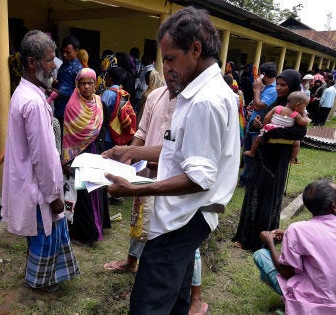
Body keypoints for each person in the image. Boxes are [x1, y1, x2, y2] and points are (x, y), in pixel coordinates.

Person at [102, 7, 240, 313]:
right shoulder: (196, 94)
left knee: (147, 305)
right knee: (176, 299)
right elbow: (181, 153)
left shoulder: (205, 101)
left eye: (170, 59)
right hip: (183, 216)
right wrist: (129, 151)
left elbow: (198, 178)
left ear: (195, 49)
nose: (166, 69)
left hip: (184, 218)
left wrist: (135, 189)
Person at [103, 76, 208, 314]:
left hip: (176, 181)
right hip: (147, 174)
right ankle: (132, 261)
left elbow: (179, 152)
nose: (172, 74)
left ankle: (196, 296)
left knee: (185, 242)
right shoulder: (155, 96)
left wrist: (136, 153)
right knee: (141, 220)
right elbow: (142, 130)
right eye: (167, 65)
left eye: (175, 63)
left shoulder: (194, 103)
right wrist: (130, 155)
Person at [1, 30, 80, 293]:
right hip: (39, 188)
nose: (54, 66)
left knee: (41, 234)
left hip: (32, 184)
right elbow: (44, 157)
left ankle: (44, 278)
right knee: (46, 235)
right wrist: (53, 195)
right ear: (32, 62)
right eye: (49, 60)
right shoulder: (32, 101)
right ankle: (42, 281)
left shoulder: (26, 93)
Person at [232, 69, 307, 251]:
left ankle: (261, 239)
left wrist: (271, 131)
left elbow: (299, 133)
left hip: (277, 158)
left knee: (268, 195)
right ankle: (246, 235)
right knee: (254, 191)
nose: (279, 88)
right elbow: (265, 121)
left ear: (293, 86)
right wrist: (260, 125)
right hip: (262, 154)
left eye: (283, 85)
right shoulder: (279, 104)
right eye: (278, 84)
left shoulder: (298, 107)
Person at [253, 180, 336, 314]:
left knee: (261, 255)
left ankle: (292, 304)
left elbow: (286, 272)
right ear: (333, 207)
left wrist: (269, 242)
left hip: (314, 309)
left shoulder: (298, 230)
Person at [62, 68, 111, 245]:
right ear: (78, 85)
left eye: (90, 83)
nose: (86, 87)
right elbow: (68, 134)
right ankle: (85, 233)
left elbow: (103, 126)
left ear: (95, 84)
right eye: (83, 83)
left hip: (96, 151)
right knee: (83, 192)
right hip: (79, 154)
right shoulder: (72, 106)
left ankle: (99, 225)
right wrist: (67, 159)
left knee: (97, 188)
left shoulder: (99, 102)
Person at [238, 62, 278, 187]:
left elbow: (258, 105)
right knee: (247, 155)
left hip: (259, 127)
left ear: (263, 74)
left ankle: (249, 180)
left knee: (254, 156)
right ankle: (244, 178)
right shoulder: (265, 87)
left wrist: (256, 90)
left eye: (260, 73)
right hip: (252, 126)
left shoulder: (273, 90)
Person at [244, 91, 310, 163]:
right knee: (297, 143)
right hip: (286, 138)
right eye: (304, 106)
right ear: (297, 105)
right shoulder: (295, 114)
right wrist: (304, 115)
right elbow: (304, 123)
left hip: (270, 134)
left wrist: (264, 127)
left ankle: (252, 152)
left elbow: (266, 118)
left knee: (257, 139)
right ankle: (292, 159)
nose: (304, 108)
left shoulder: (277, 108)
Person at [53, 35, 83, 124]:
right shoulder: (64, 65)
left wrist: (60, 92)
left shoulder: (78, 69)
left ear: (76, 51)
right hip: (59, 109)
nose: (64, 55)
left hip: (70, 112)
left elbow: (80, 93)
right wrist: (55, 84)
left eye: (68, 52)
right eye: (62, 51)